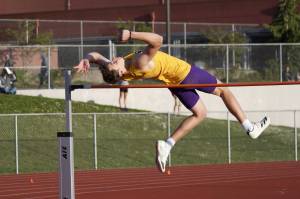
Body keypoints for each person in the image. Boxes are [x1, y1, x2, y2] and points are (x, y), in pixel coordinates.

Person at [74, 30, 271, 173]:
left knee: (200, 113)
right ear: (118, 73)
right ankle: (249, 128)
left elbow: (98, 57)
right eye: (113, 62)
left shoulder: (118, 67)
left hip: (175, 83)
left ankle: (167, 144)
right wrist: (131, 34)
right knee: (224, 91)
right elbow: (158, 40)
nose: (113, 59)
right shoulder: (138, 63)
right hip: (185, 74)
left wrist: (86, 58)